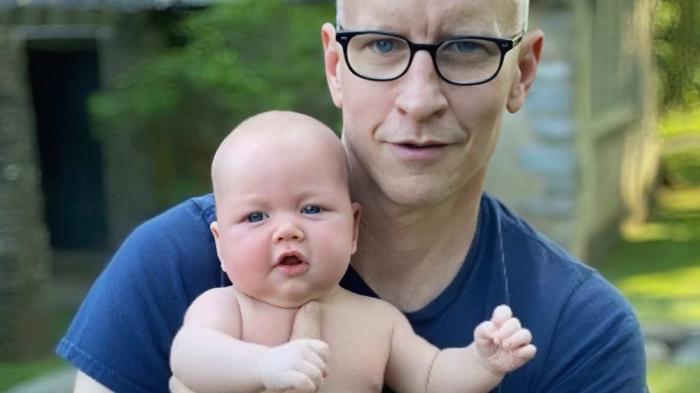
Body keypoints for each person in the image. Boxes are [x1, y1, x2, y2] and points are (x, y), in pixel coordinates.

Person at [58, 0, 647, 392]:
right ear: (335, 65)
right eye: (383, 46)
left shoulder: (577, 333)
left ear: (521, 72)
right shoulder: (173, 266)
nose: (420, 100)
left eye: (467, 47)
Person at [169, 111, 536, 393]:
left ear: (353, 228)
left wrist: (482, 362)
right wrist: (265, 364)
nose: (287, 230)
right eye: (255, 216)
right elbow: (190, 355)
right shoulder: (227, 308)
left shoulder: (378, 321)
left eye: (311, 209)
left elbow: (430, 378)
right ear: (220, 243)